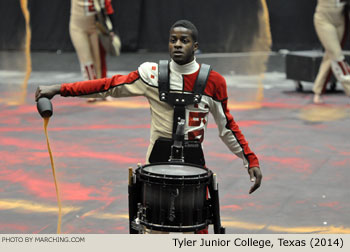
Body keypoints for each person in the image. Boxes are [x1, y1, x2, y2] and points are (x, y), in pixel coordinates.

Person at [35, 20, 262, 233]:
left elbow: (227, 127)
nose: (177, 45)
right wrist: (60, 88)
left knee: (197, 228)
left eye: (184, 41)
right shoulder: (151, 75)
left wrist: (250, 160)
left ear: (196, 46)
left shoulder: (214, 81)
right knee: (153, 228)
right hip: (156, 168)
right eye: (173, 40)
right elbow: (108, 86)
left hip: (194, 170)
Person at [69, 0, 118, 101]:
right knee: (87, 60)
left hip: (94, 28)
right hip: (77, 29)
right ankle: (91, 90)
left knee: (98, 61)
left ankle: (102, 89)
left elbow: (107, 9)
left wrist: (111, 29)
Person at [313, 0, 350, 104]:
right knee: (338, 57)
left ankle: (317, 91)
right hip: (324, 21)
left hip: (340, 21)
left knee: (330, 57)